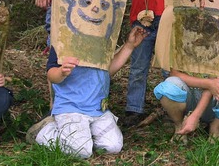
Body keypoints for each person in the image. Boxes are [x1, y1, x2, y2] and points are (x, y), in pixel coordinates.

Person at [27, 27, 147, 159]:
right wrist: (61, 72)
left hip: (98, 110)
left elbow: (108, 70)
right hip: (70, 108)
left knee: (113, 146)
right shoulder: (63, 39)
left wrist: (129, 46)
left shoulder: (102, 40)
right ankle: (44, 131)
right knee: (81, 151)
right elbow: (51, 74)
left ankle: (81, 133)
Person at [153, 69, 219, 141]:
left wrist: (195, 115)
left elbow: (217, 84)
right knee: (170, 84)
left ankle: (216, 126)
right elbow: (175, 73)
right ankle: (179, 125)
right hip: (188, 98)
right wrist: (209, 83)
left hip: (215, 102)